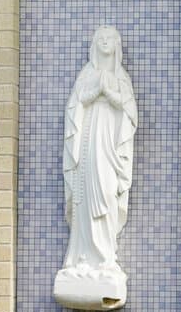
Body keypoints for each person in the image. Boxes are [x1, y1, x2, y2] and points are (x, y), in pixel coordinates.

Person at [55, 25, 138, 292]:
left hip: (108, 146)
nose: (104, 43)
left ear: (116, 45)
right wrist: (93, 92)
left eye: (109, 39)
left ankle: (105, 257)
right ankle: (81, 257)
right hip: (88, 141)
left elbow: (129, 112)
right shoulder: (86, 75)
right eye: (100, 39)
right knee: (85, 197)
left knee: (104, 191)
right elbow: (75, 108)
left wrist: (108, 93)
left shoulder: (121, 77)